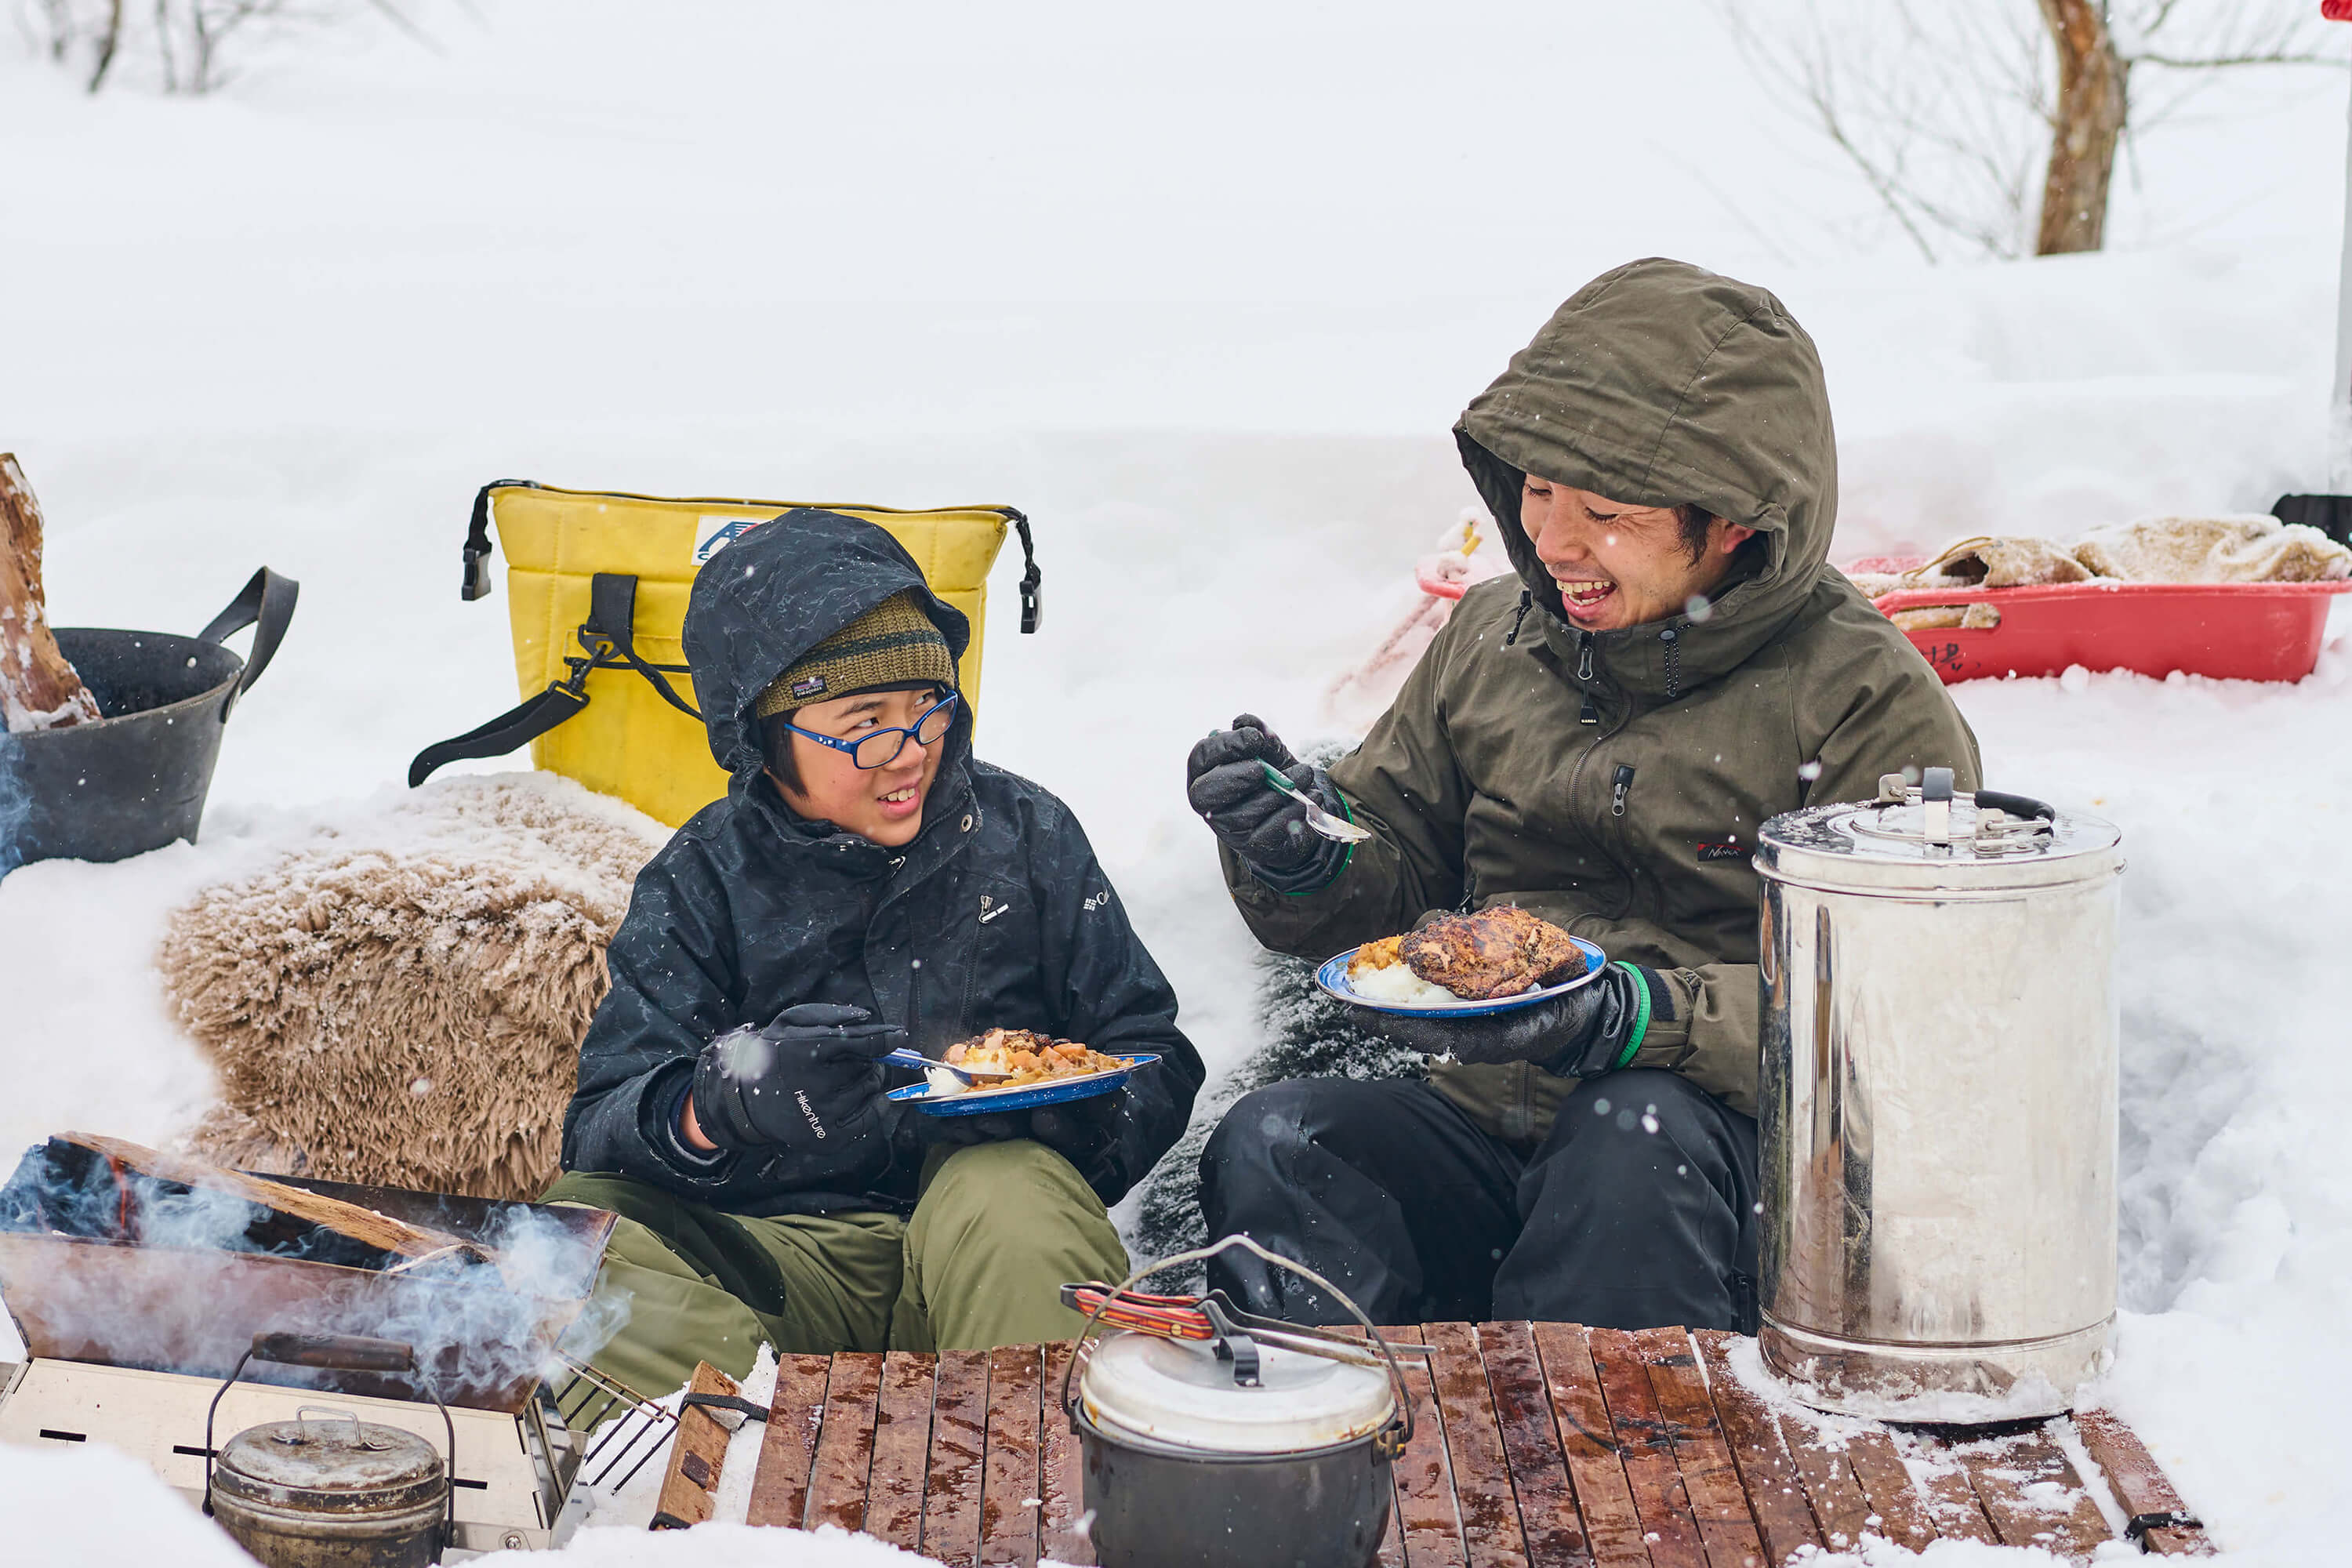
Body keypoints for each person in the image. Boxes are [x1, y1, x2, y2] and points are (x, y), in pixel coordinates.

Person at [1186, 258, 1980, 1334]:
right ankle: (1334, 1457)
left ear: (1735, 521)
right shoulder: (1490, 637)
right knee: (1282, 1146)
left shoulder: (1865, 700)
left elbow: (1898, 1012)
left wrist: (1638, 1019)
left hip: (1718, 1176)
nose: (1555, 543)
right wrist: (1303, 851)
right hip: (1488, 1129)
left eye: (1605, 509)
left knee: (1626, 1133)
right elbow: (1387, 883)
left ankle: (1616, 1481)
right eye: (1540, 492)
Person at [550, 509, 1202, 1397]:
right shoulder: (703, 875)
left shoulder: (1024, 834)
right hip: (774, 1264)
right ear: (769, 735)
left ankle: (1026, 1472)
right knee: (562, 1246)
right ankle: (763, 1452)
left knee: (1008, 1193)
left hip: (983, 1246)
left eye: (927, 709)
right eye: (864, 724)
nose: (908, 756)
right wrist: (724, 1098)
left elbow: (1152, 1046)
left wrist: (1071, 1119)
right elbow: (600, 1125)